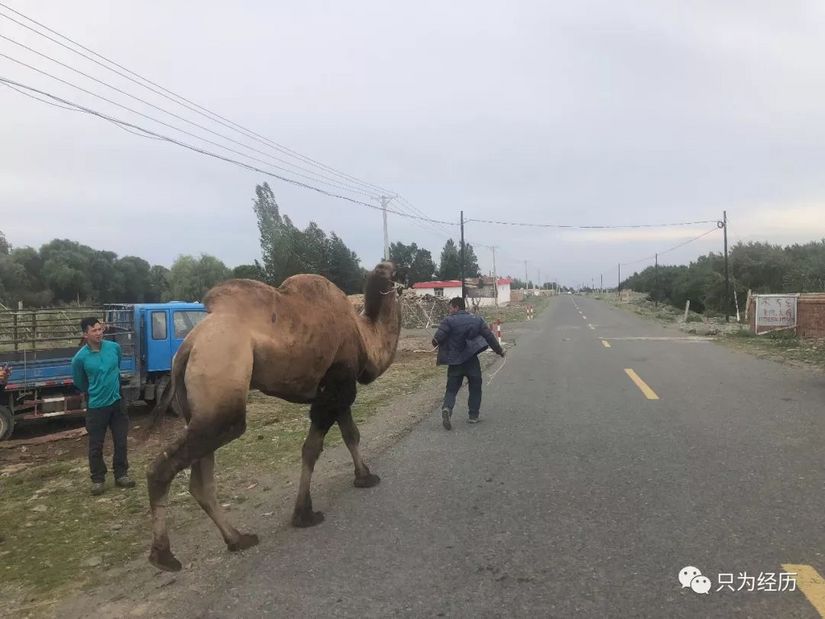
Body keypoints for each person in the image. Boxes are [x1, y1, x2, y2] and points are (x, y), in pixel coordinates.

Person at [71, 317, 135, 495]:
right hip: (97, 406)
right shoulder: (79, 358)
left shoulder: (114, 348)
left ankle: (121, 474)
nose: (98, 333)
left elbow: (117, 367)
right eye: (94, 330)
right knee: (96, 445)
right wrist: (96, 390)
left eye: (100, 329)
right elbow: (80, 382)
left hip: (117, 402)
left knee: (121, 441)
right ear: (85, 334)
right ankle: (98, 479)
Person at [432, 297, 505, 430]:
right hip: (471, 360)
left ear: (456, 307)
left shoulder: (448, 321)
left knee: (451, 389)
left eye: (450, 308)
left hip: (455, 362)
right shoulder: (477, 319)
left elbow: (436, 339)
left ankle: (447, 408)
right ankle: (473, 415)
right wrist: (499, 351)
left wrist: (436, 342)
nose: (449, 311)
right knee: (475, 387)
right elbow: (489, 336)